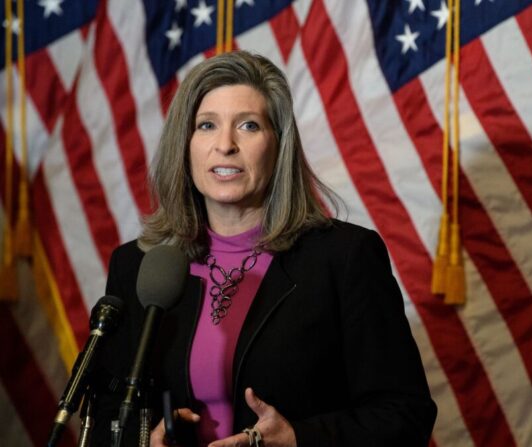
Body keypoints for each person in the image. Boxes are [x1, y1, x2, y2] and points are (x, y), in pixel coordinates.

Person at [90, 50, 436, 447]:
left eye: (249, 126)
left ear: (278, 145)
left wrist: (297, 438)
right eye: (206, 126)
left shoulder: (344, 258)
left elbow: (405, 413)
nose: (225, 145)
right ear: (184, 146)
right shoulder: (138, 265)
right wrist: (143, 440)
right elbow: (104, 414)